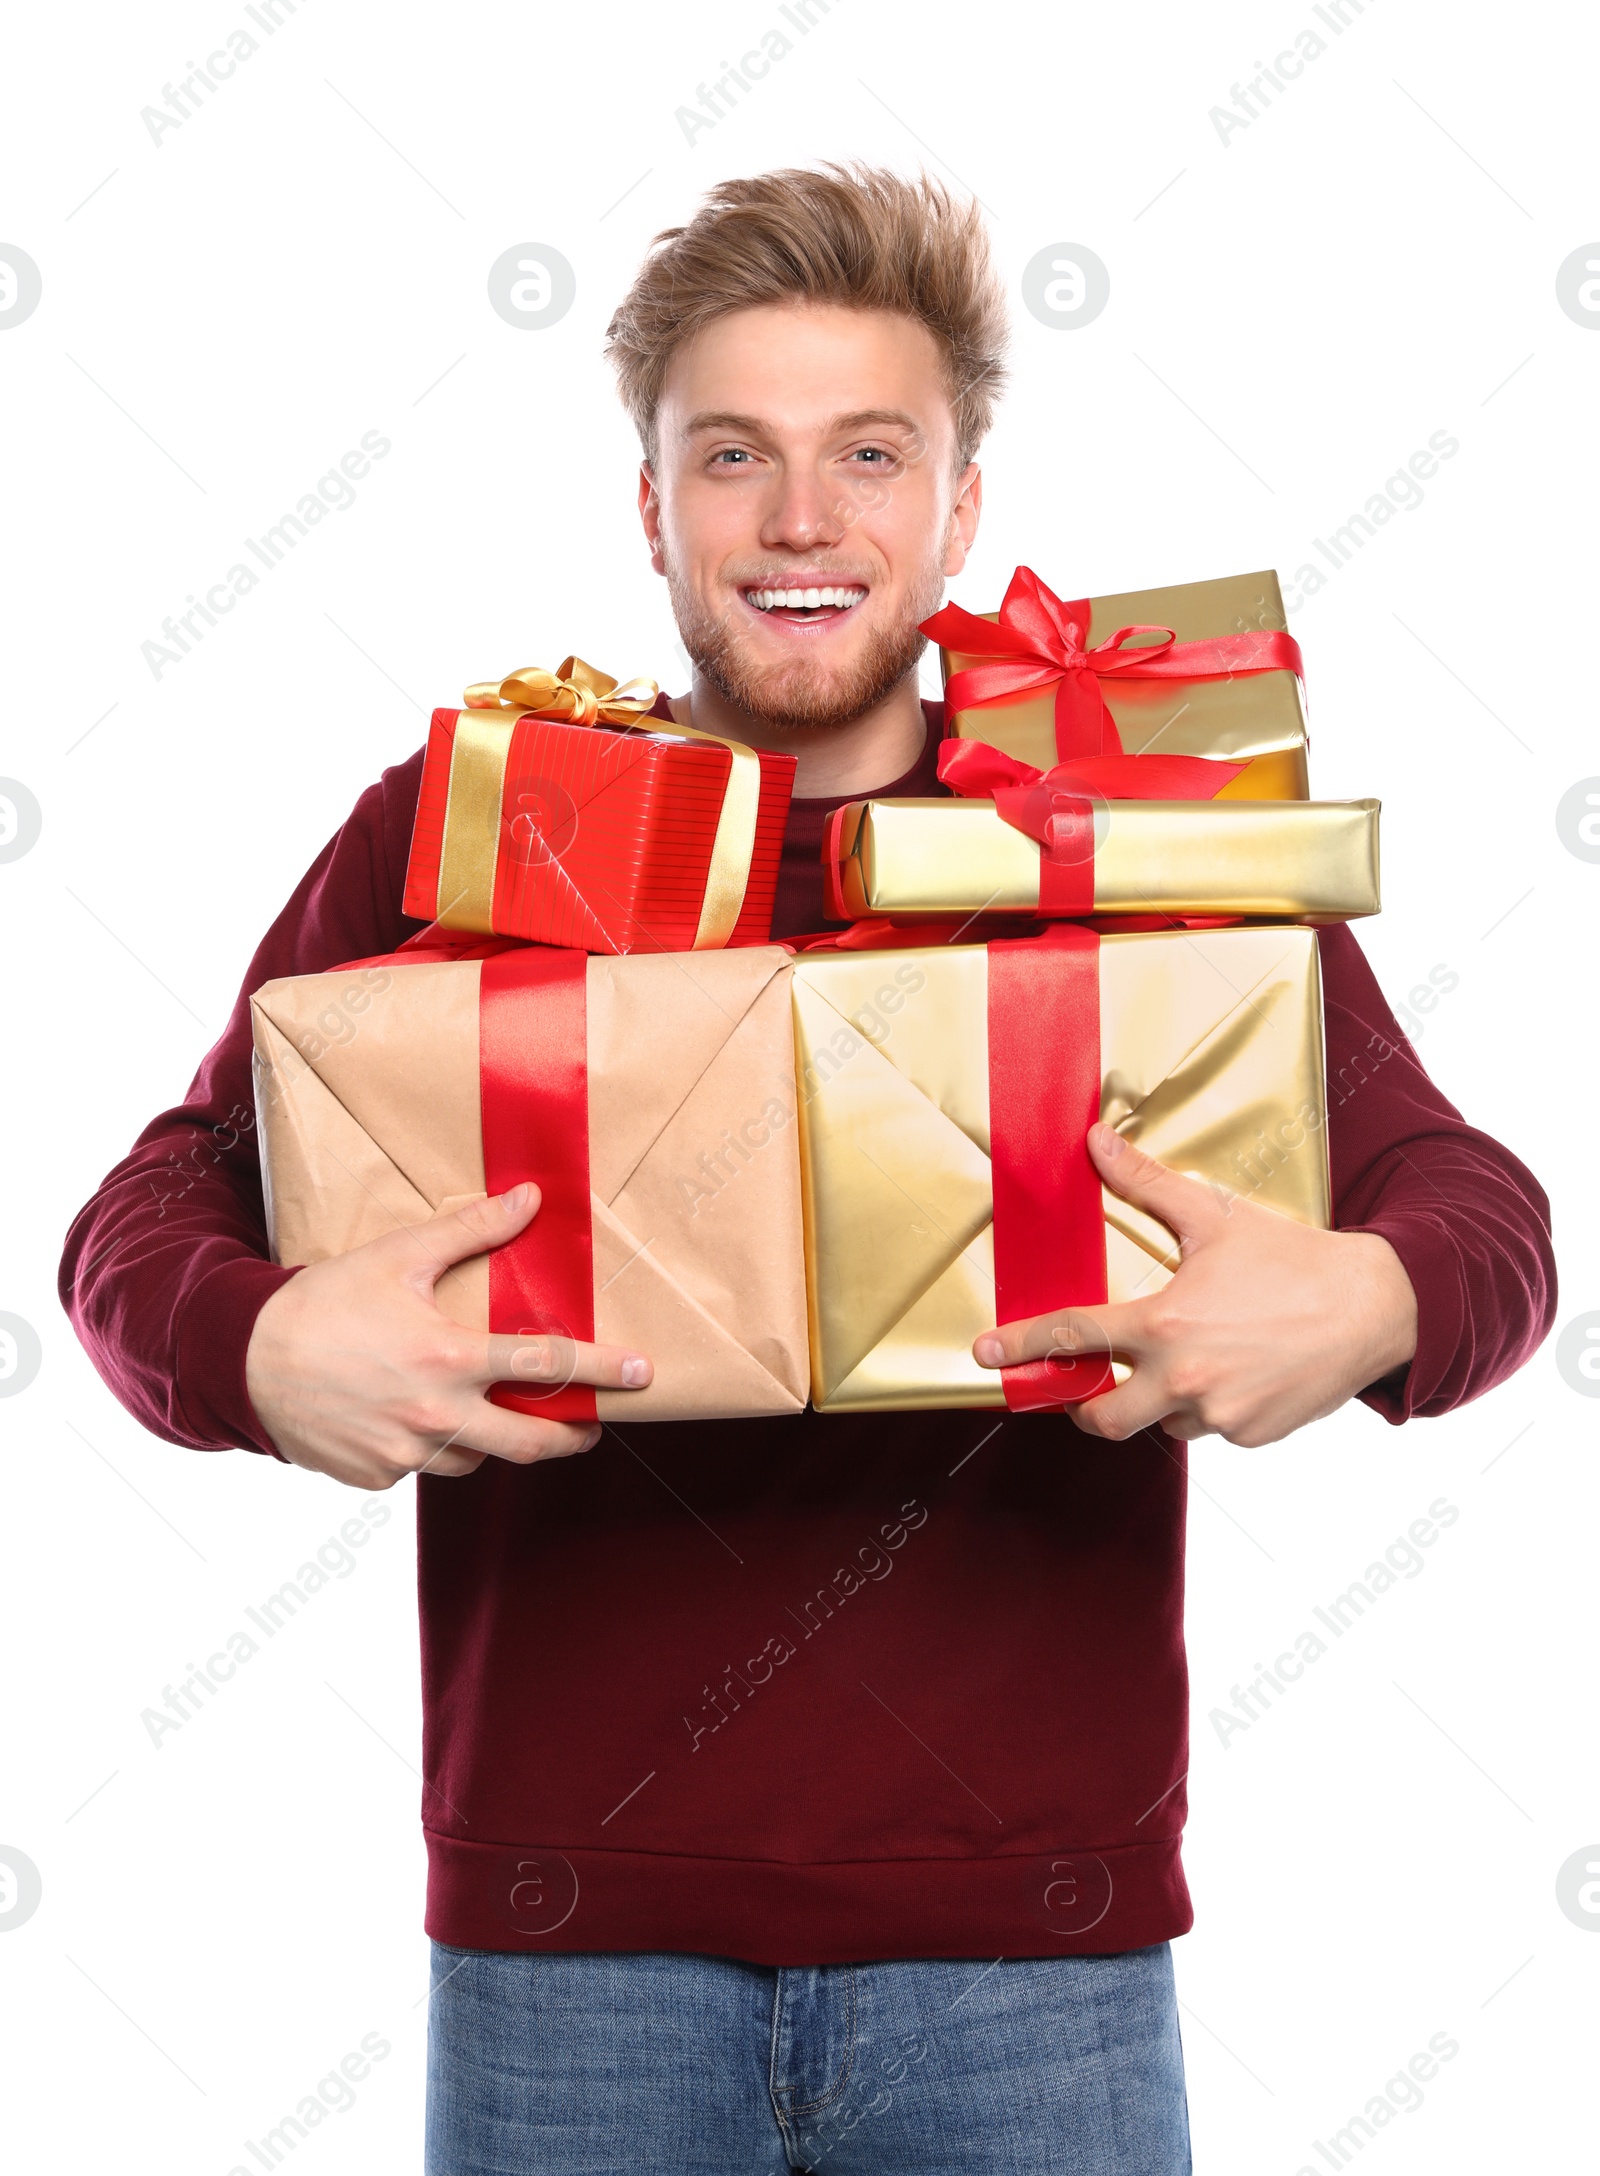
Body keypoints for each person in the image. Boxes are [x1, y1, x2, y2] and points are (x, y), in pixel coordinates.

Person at [61, 165, 1555, 2175]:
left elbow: (1474, 1209)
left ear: (955, 506)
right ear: (652, 506)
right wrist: (254, 1345)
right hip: (566, 1964)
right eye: (730, 456)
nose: (797, 517)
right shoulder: (464, 830)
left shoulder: (1117, 830)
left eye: (867, 452)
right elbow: (145, 1214)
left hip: (1037, 1965)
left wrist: (1369, 1298)